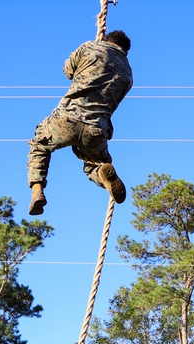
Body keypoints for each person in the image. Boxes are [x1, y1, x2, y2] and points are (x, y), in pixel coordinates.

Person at [27, 30, 134, 215]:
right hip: (96, 129)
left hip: (66, 118)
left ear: (106, 40)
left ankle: (37, 190)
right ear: (125, 50)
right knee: (94, 165)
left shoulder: (90, 46)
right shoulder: (128, 74)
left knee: (39, 145)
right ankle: (103, 175)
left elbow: (67, 71)